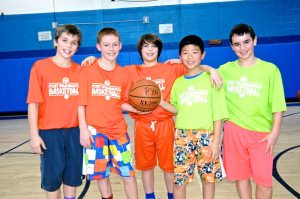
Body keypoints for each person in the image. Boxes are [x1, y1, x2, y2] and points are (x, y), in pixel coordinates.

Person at [81, 33, 222, 199]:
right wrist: (92, 59)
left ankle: (171, 196)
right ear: (140, 50)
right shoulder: (130, 71)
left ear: (159, 49)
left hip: (165, 123)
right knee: (145, 166)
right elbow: (109, 68)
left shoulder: (171, 68)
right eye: (145, 46)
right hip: (142, 125)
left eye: (153, 46)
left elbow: (195, 66)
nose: (149, 49)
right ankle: (150, 196)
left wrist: (211, 69)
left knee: (169, 167)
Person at [219, 23, 287, 199]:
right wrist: (183, 64)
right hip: (234, 132)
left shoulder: (270, 70)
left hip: (262, 134)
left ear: (255, 41)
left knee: (264, 182)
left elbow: (278, 105)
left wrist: (275, 133)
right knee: (241, 178)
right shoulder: (225, 70)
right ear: (231, 46)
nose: (242, 48)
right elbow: (205, 76)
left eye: (246, 42)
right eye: (237, 44)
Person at [159, 35, 228, 199]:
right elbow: (175, 109)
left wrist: (216, 142)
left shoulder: (212, 79)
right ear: (179, 56)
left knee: (208, 179)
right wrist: (159, 102)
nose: (190, 57)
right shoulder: (178, 83)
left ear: (203, 55)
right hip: (182, 136)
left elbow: (218, 114)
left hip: (207, 135)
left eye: (195, 52)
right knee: (179, 181)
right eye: (185, 53)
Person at [78, 27, 139, 199]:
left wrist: (136, 108)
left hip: (118, 131)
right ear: (99, 47)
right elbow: (80, 103)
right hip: (94, 131)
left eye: (114, 44)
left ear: (120, 46)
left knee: (128, 174)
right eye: (106, 45)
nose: (111, 49)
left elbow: (122, 103)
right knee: (101, 176)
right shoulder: (88, 70)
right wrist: (83, 129)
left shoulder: (124, 75)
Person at [27, 24, 83, 199]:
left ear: (77, 47)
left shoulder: (81, 71)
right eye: (65, 40)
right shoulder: (40, 67)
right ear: (55, 42)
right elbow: (33, 104)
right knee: (52, 180)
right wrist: (34, 135)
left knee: (72, 178)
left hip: (75, 132)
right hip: (49, 133)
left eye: (74, 43)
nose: (69, 46)